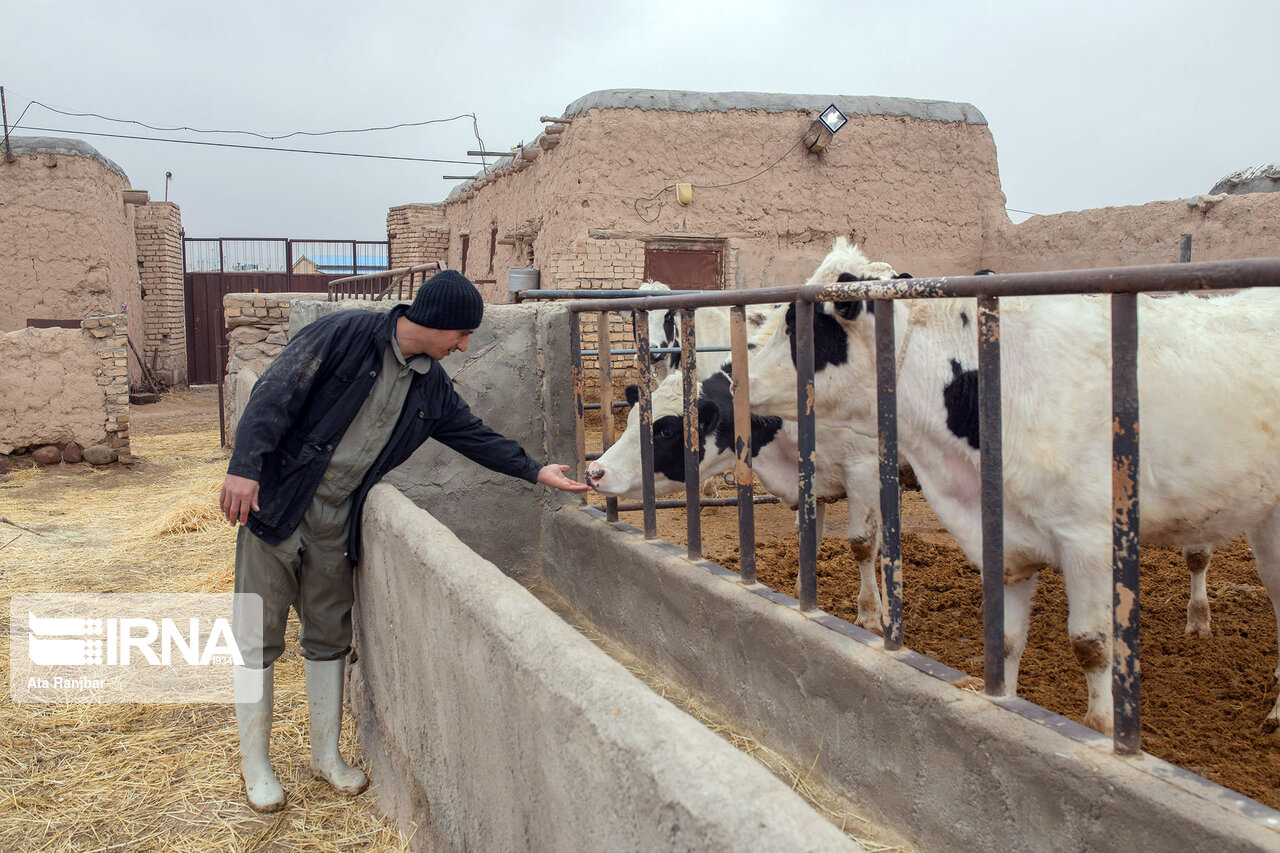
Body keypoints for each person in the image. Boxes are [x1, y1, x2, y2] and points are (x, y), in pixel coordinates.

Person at [219, 269, 588, 812]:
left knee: (327, 633)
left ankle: (325, 757)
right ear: (435, 322)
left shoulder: (429, 384)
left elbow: (471, 434)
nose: (464, 346)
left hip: (336, 517)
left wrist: (534, 470)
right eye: (461, 335)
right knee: (256, 635)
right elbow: (276, 393)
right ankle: (256, 765)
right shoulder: (344, 334)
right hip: (277, 502)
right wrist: (245, 467)